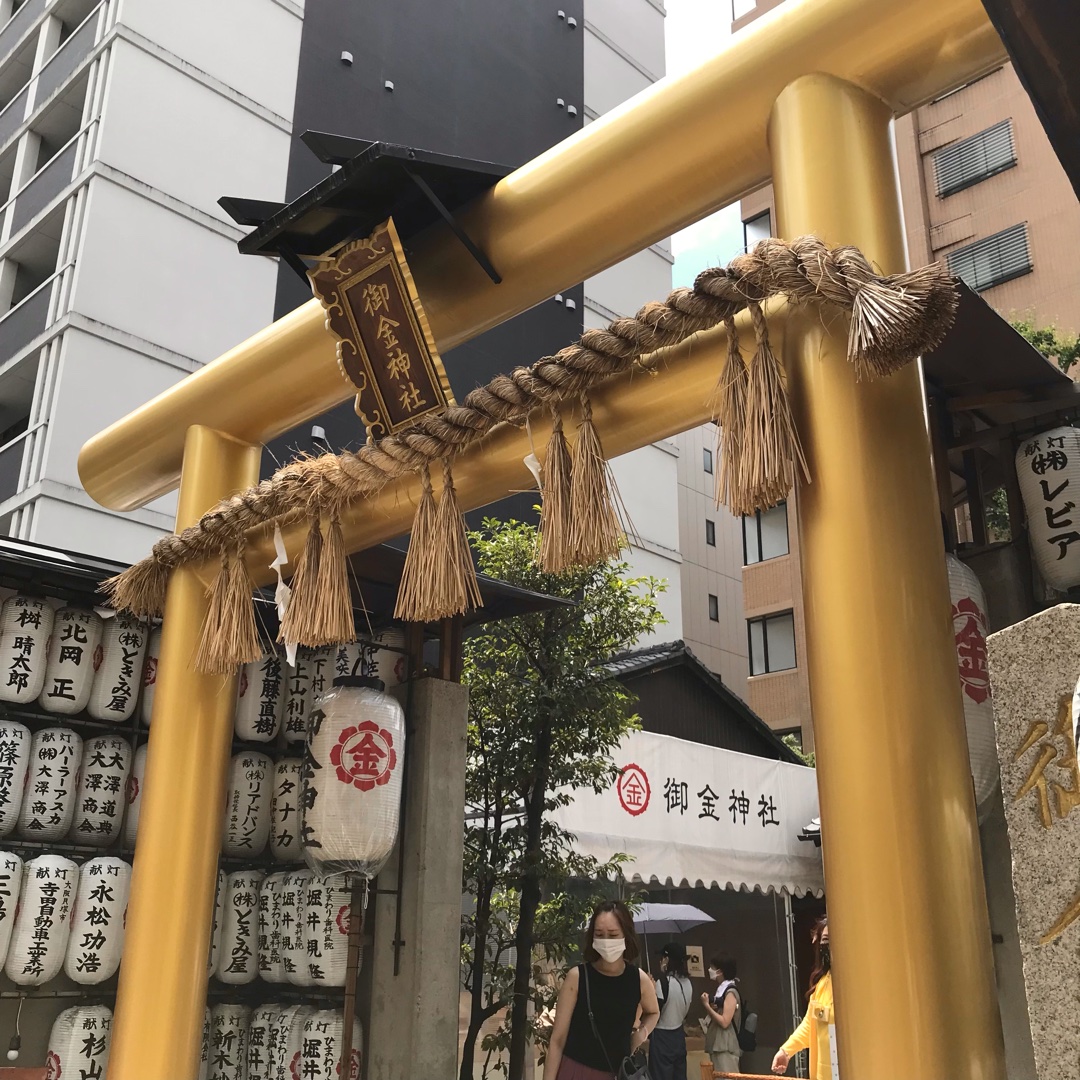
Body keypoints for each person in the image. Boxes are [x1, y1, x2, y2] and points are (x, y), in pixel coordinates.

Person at [546, 900, 661, 1079]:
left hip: (618, 1073)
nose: (606, 941)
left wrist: (641, 1034)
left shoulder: (639, 979)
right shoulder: (577, 977)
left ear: (626, 935)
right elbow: (557, 1040)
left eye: (613, 935)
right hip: (576, 1072)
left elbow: (653, 1012)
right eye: (599, 934)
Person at [772, 916, 833, 1079]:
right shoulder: (823, 983)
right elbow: (810, 1024)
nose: (828, 945)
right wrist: (786, 1050)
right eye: (825, 940)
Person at [649, 942, 693, 1080]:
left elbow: (654, 1012)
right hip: (679, 1035)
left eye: (662, 958)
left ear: (666, 960)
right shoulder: (688, 982)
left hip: (662, 1035)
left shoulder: (663, 982)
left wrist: (650, 989)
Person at [701, 957, 741, 1075]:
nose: (710, 970)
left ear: (720, 971)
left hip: (725, 1046)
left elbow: (725, 1022)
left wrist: (706, 1006)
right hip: (718, 1045)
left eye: (712, 968)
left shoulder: (730, 992)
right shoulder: (722, 990)